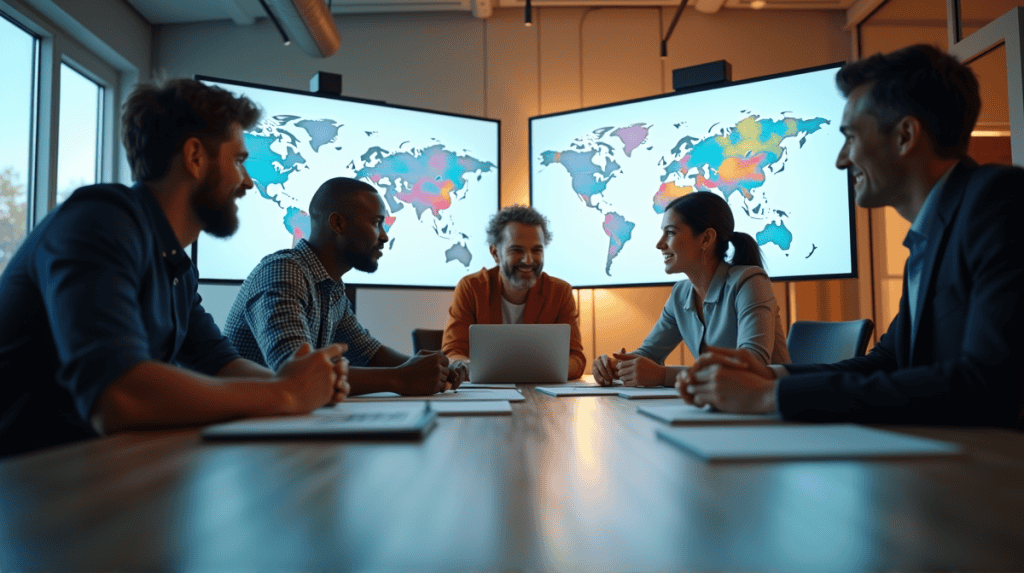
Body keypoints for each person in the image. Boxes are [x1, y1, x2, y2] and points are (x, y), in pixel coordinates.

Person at [0, 79, 349, 458]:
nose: (247, 181)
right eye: (238, 160)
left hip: (87, 472)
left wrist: (303, 385)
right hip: (23, 487)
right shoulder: (99, 221)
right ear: (195, 156)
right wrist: (285, 393)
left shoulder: (176, 265)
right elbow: (120, 394)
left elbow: (219, 363)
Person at [680, 44, 1024, 428]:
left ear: (905, 135)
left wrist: (769, 398)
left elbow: (988, 383)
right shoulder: (932, 233)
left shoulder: (999, 202)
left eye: (851, 137)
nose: (842, 159)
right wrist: (773, 376)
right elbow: (889, 362)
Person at [225, 177, 461, 395]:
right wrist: (400, 378)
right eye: (376, 223)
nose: (384, 237)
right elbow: (298, 372)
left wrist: (428, 369)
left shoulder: (332, 286)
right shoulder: (284, 272)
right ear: (338, 223)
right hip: (243, 431)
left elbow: (370, 354)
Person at [592, 191, 790, 387]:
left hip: (772, 408)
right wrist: (613, 366)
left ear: (706, 239)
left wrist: (663, 376)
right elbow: (649, 354)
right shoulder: (681, 293)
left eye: (670, 232)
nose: (659, 244)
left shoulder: (750, 281)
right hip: (721, 406)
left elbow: (753, 366)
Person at [442, 205, 586, 380]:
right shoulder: (471, 288)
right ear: (495, 253)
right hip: (486, 396)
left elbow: (576, 359)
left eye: (536, 250)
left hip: (541, 396)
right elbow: (451, 353)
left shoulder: (560, 292)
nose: (528, 260)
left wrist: (520, 371)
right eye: (517, 250)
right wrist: (470, 368)